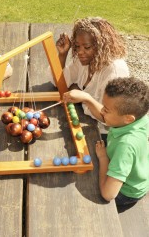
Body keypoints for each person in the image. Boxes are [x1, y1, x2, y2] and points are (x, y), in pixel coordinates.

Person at [63, 77, 149, 206]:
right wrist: (87, 98)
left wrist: (103, 158)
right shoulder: (138, 118)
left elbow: (108, 194)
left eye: (106, 110)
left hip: (126, 191)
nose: (102, 110)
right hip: (131, 168)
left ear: (128, 119)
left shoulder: (125, 146)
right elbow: (106, 117)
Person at [55, 17, 129, 143]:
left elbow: (110, 118)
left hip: (107, 136)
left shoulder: (115, 71)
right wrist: (62, 55)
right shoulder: (84, 59)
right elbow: (60, 82)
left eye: (87, 47)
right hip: (84, 118)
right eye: (77, 46)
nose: (80, 52)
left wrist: (85, 98)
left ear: (102, 46)